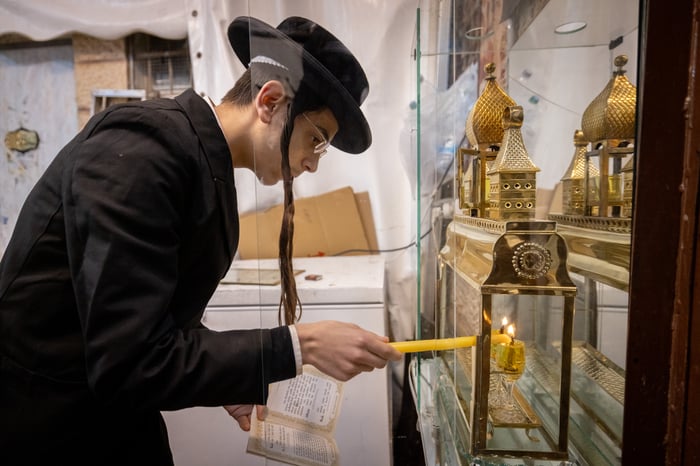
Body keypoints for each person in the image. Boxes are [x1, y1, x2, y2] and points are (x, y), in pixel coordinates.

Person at [0, 15, 401, 465]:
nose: (313, 164)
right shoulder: (142, 150)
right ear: (269, 101)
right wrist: (299, 345)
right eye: (317, 139)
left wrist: (230, 382)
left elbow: (160, 323)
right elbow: (130, 361)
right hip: (48, 420)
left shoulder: (205, 169)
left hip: (112, 412)